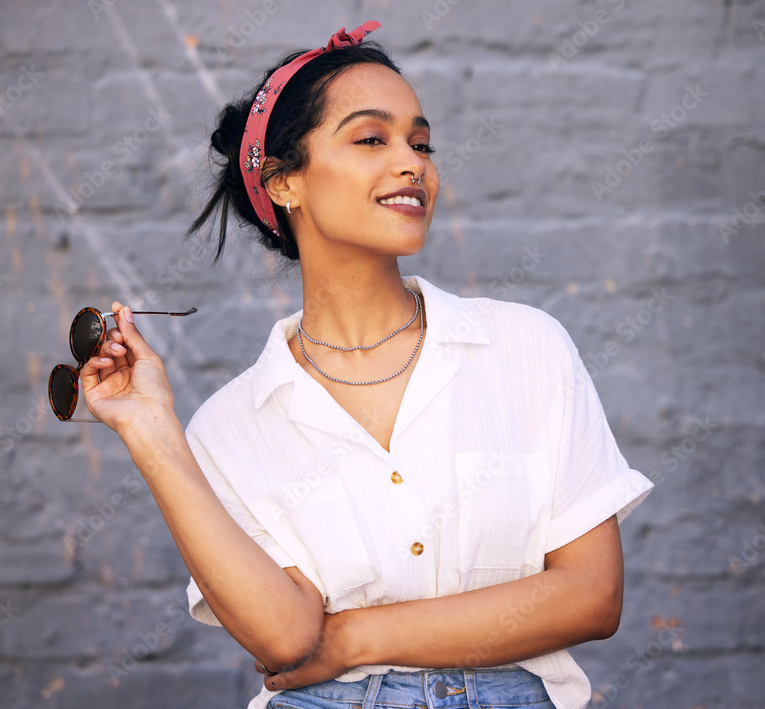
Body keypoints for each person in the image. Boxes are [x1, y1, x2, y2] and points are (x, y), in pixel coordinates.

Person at [79, 21, 653, 709]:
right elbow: (286, 637)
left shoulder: (526, 348)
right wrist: (149, 430)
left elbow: (591, 597)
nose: (413, 163)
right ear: (285, 180)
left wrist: (352, 638)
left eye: (421, 142)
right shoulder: (231, 425)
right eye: (371, 138)